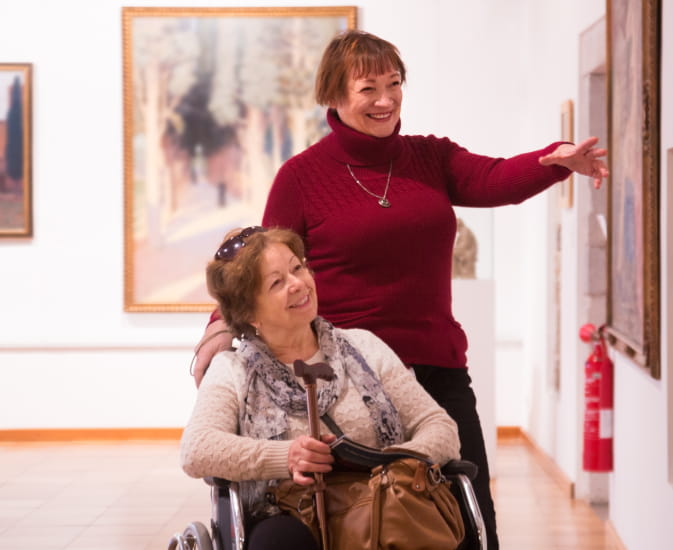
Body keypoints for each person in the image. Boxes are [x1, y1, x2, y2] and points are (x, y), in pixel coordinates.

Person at [190, 30, 609, 549]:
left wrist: (553, 159)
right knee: (354, 519)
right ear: (334, 96)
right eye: (368, 88)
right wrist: (219, 330)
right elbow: (267, 269)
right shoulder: (302, 177)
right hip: (345, 370)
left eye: (394, 83)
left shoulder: (428, 158)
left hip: (435, 365)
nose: (385, 99)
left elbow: (493, 178)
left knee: (470, 522)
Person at [181, 226, 461, 550]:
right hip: (287, 515)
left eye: (297, 268)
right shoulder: (233, 370)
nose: (298, 283)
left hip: (383, 503)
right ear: (249, 313)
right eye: (277, 282)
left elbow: (438, 426)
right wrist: (288, 456)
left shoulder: (364, 346)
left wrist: (400, 466)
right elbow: (196, 449)